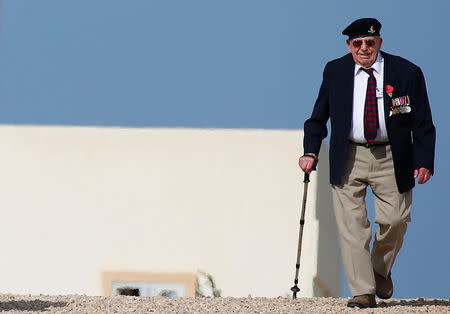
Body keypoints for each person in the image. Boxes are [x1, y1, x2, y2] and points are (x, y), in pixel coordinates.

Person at [299, 18, 435, 309]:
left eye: (369, 43)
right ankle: (363, 291)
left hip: (393, 156)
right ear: (349, 46)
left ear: (379, 44)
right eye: (357, 43)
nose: (364, 49)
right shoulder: (335, 71)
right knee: (353, 226)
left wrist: (424, 161)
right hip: (349, 155)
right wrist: (310, 151)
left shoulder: (407, 72)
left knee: (395, 221)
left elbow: (423, 122)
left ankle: (378, 269)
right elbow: (317, 117)